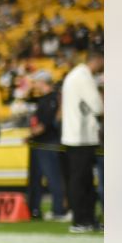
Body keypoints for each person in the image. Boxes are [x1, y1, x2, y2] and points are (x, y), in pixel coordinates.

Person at [61, 50, 103, 233]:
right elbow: (97, 106)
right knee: (82, 181)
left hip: (75, 136)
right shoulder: (83, 77)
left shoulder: (76, 75)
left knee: (80, 180)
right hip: (81, 137)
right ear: (98, 60)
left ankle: (85, 219)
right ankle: (82, 220)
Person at [26, 71, 67, 220]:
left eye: (36, 81)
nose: (34, 84)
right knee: (35, 179)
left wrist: (31, 134)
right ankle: (34, 210)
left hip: (48, 144)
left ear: (43, 81)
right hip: (39, 143)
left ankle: (59, 210)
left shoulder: (53, 98)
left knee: (53, 177)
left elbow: (47, 123)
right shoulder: (42, 99)